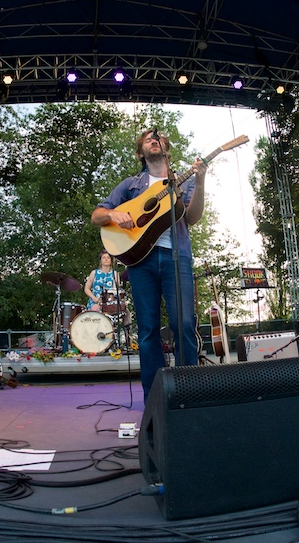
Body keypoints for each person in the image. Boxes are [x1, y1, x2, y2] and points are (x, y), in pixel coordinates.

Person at [91, 130, 206, 400]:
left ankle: (187, 394)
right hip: (141, 262)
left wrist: (200, 183)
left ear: (166, 149)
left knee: (184, 324)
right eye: (147, 140)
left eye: (159, 139)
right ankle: (155, 399)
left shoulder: (182, 182)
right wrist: (113, 214)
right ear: (141, 153)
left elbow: (193, 218)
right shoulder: (130, 185)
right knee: (148, 330)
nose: (154, 141)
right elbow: (97, 215)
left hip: (178, 258)